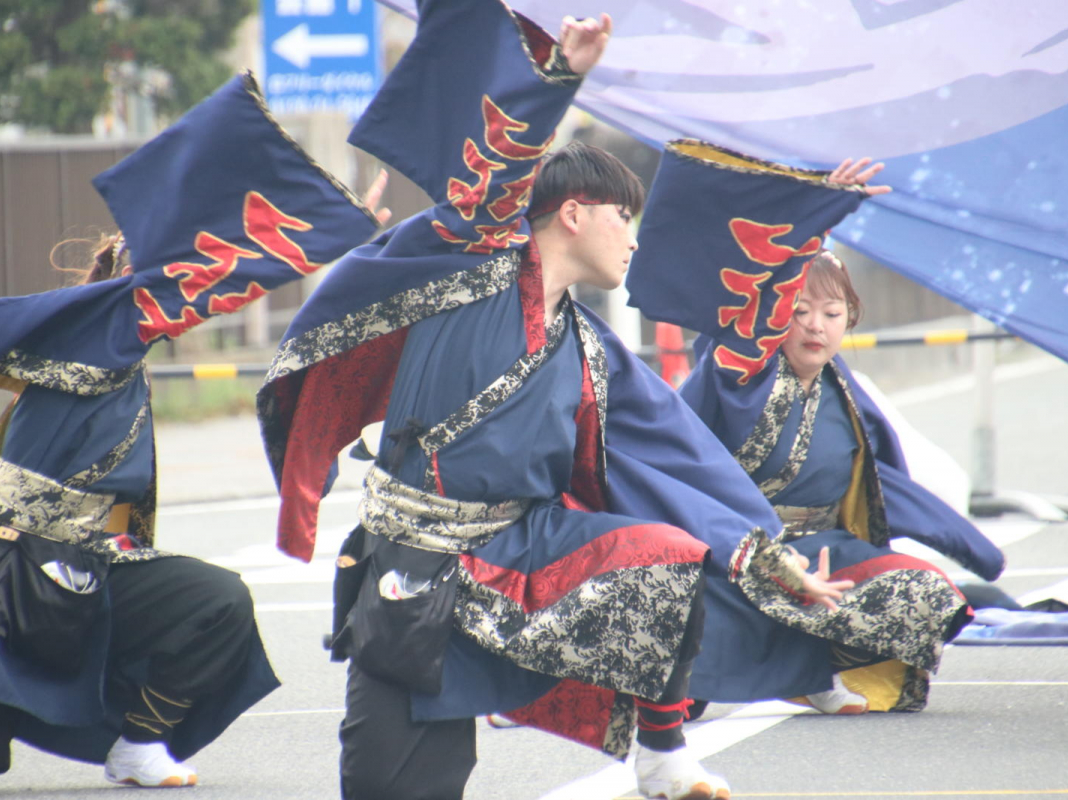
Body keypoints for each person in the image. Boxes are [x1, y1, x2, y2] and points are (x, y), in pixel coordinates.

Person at [256, 3, 850, 798]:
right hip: (418, 561)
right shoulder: (473, 267)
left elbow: (681, 452)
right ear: (572, 212)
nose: (633, 237)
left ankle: (662, 751)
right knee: (395, 782)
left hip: (519, 548)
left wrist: (768, 554)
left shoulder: (588, 346)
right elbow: (494, 181)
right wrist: (560, 78)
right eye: (622, 216)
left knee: (664, 559)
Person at [0, 73, 381, 799]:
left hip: (91, 572)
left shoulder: (131, 359)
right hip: (0, 578)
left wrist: (346, 238)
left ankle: (138, 740)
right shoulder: (72, 330)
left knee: (215, 600)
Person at [625, 145, 1006, 716]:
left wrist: (972, 547)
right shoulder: (739, 370)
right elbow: (759, 292)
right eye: (799, 310)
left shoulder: (845, 393)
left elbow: (882, 486)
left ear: (849, 320)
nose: (814, 325)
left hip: (820, 556)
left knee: (924, 596)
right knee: (674, 700)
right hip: (727, 556)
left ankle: (811, 668)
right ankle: (720, 667)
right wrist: (821, 210)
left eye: (831, 314)